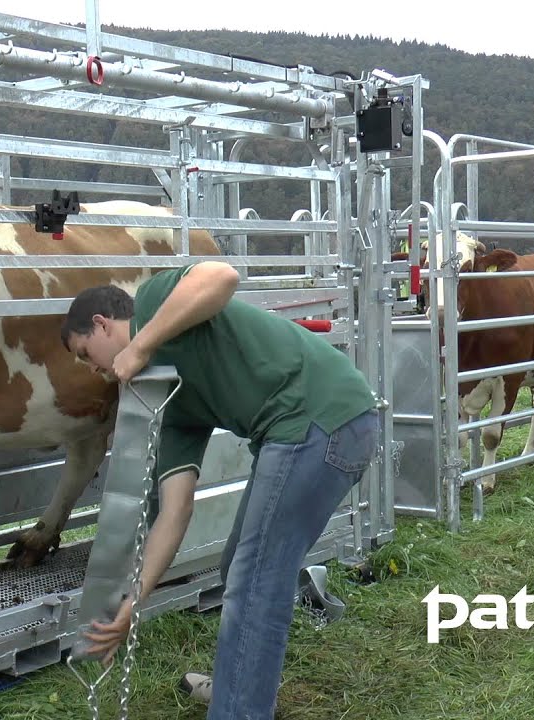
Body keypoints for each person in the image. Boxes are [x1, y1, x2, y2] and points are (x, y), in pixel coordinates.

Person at [60, 260, 380, 720]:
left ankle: (239, 709)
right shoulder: (167, 403)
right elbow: (175, 513)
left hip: (319, 418)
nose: (93, 369)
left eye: (85, 354)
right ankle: (238, 687)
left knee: (254, 581)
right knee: (242, 571)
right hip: (308, 431)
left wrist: (141, 346)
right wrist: (133, 602)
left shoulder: (154, 303)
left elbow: (222, 277)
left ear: (102, 324)